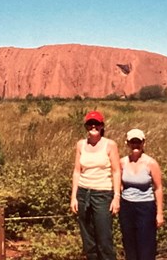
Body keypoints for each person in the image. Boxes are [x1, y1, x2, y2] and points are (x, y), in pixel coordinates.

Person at [71, 110, 121, 260]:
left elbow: (116, 171)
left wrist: (116, 197)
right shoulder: (80, 144)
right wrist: (73, 197)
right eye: (90, 123)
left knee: (104, 238)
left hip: (103, 194)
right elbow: (76, 171)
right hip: (83, 193)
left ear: (102, 126)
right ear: (86, 126)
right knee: (88, 240)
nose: (93, 126)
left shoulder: (110, 145)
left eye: (97, 123)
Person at [119, 128, 164, 260]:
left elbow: (158, 188)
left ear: (143, 142)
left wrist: (159, 213)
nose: (135, 145)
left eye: (138, 142)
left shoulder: (151, 163)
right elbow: (118, 182)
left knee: (146, 245)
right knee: (129, 244)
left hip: (145, 207)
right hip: (127, 207)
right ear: (127, 143)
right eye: (132, 142)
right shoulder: (122, 162)